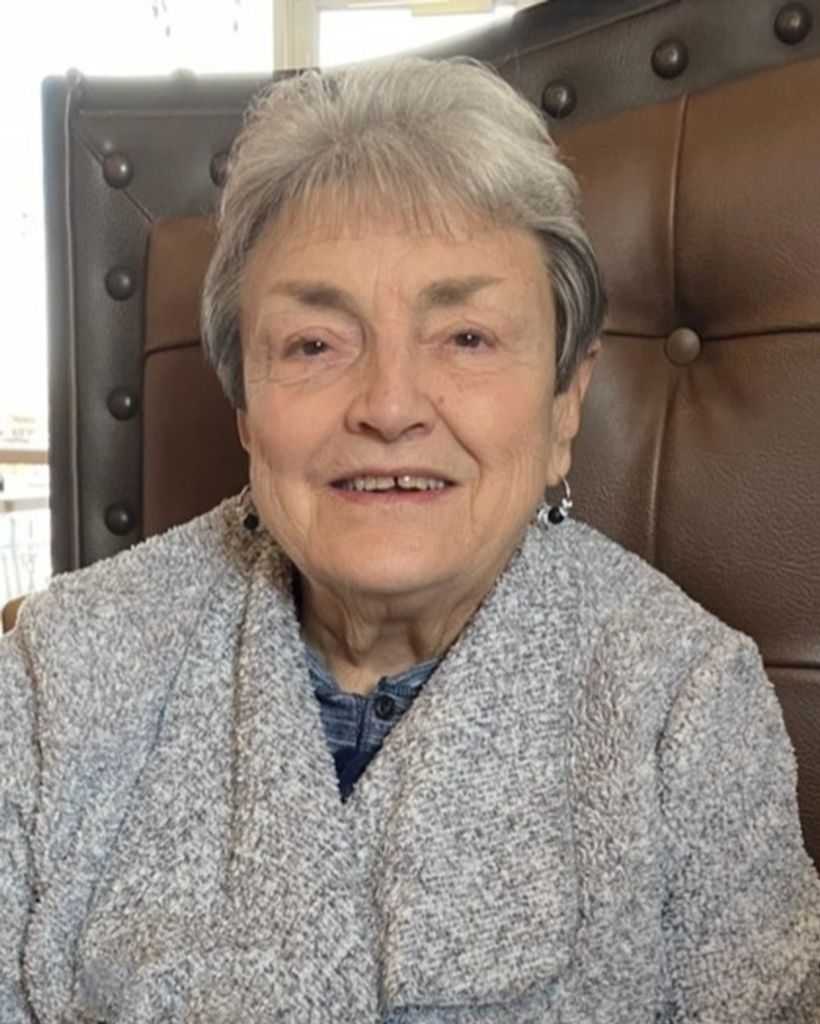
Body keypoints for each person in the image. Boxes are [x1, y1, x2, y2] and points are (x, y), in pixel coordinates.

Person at [2, 56, 819, 1024]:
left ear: (565, 402)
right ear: (247, 411)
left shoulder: (686, 707)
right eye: (314, 344)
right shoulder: (58, 674)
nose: (389, 407)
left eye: (466, 337)